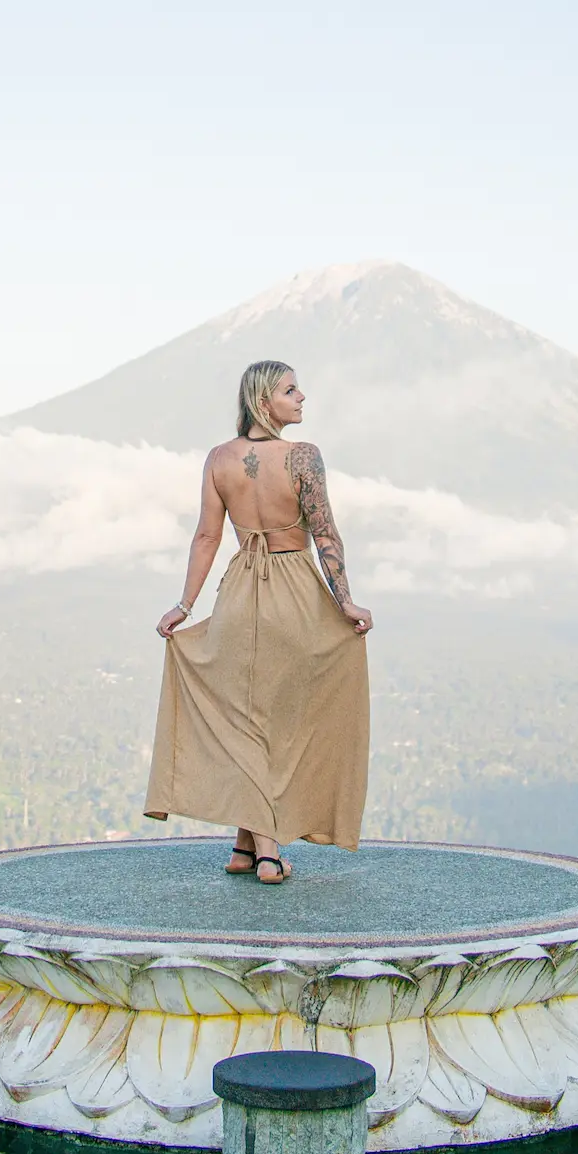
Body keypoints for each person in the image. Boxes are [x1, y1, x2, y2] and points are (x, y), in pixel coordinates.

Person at [145, 361, 373, 883]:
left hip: (238, 590)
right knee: (279, 721)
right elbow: (326, 536)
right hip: (294, 591)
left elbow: (206, 537)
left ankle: (244, 847)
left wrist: (184, 606)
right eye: (290, 390)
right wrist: (346, 604)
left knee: (245, 715)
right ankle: (269, 851)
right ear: (262, 401)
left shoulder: (218, 459)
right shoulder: (303, 458)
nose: (302, 397)